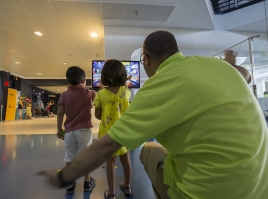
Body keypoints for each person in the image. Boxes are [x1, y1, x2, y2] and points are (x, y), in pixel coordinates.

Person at [37, 31, 268, 199]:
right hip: (260, 188)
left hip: (206, 193)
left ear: (145, 59)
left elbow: (105, 147)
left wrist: (61, 178)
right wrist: (229, 64)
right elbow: (245, 75)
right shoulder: (217, 66)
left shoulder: (156, 89)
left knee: (149, 150)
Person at [93, 60, 132, 199]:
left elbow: (97, 116)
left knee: (110, 163)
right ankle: (127, 187)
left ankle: (112, 193)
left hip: (108, 135)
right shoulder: (126, 93)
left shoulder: (101, 94)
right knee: (126, 160)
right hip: (124, 133)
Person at [56, 66, 96, 195]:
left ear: (68, 80)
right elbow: (97, 95)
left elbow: (60, 113)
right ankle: (87, 182)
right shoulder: (89, 93)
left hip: (69, 132)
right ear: (83, 81)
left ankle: (70, 184)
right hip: (84, 130)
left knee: (70, 158)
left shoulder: (64, 95)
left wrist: (59, 129)